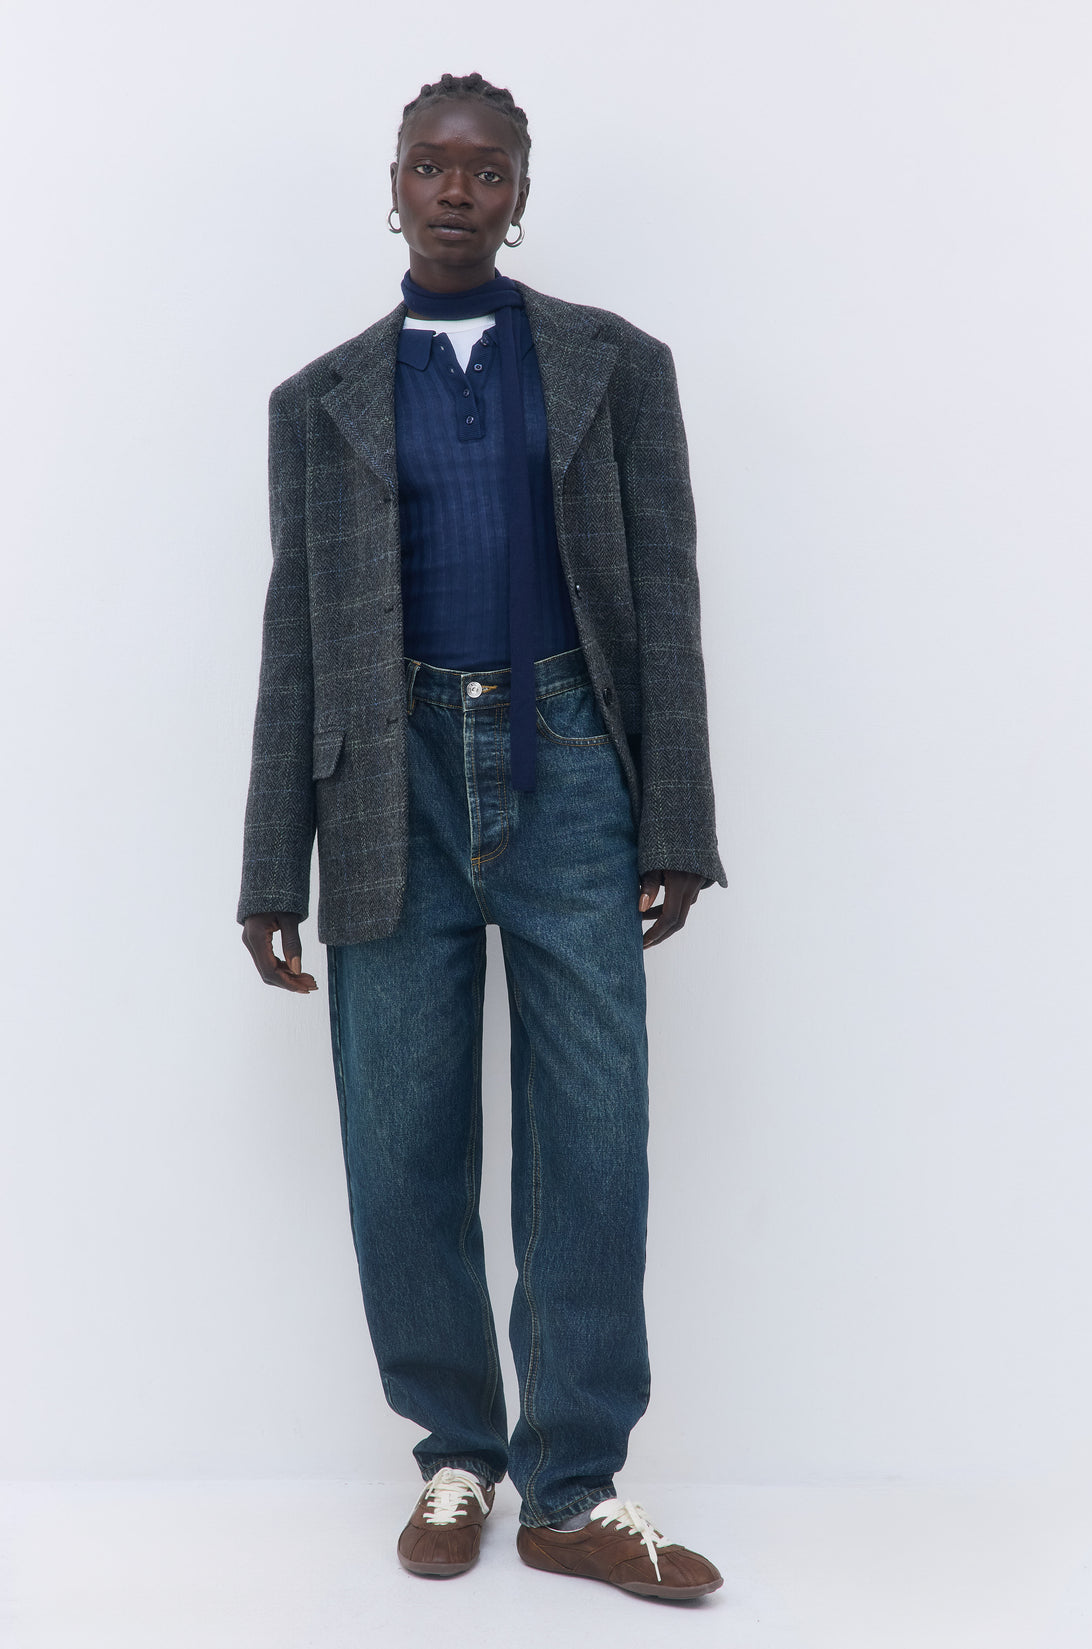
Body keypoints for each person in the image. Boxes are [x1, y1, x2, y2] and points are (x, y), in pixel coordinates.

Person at [237, 70, 727, 1603]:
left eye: (489, 170)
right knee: (401, 1136)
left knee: (594, 1130)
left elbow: (665, 602)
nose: (458, 192)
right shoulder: (318, 400)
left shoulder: (613, 367)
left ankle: (573, 1486)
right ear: (393, 183)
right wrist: (269, 863)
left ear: (521, 193)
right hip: (383, 782)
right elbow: (295, 639)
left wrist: (679, 817)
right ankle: (458, 1450)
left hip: (571, 761)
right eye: (432, 167)